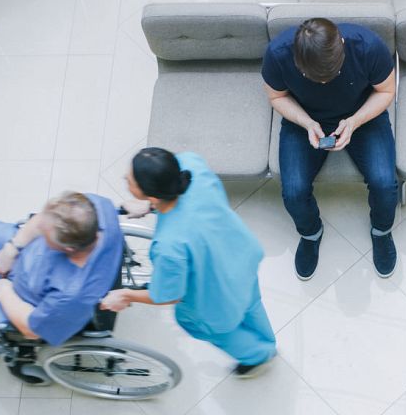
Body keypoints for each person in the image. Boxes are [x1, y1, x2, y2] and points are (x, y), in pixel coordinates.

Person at [100, 148, 276, 377]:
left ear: (152, 194)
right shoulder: (191, 165)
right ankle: (267, 340)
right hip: (239, 258)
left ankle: (258, 354)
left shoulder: (169, 246)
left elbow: (167, 294)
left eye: (130, 180)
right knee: (250, 303)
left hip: (215, 294)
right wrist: (152, 206)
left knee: (220, 329)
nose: (125, 178)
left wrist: (125, 295)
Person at [0, 192, 123, 380]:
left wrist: (3, 292)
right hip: (25, 261)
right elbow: (40, 220)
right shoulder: (96, 208)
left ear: (68, 249)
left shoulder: (71, 294)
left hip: (25, 302)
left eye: (45, 233)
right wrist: (10, 250)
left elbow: (32, 329)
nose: (38, 226)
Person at [262, 17, 398, 280]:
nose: (323, 84)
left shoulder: (368, 47)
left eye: (330, 76)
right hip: (305, 119)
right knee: (293, 192)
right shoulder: (278, 54)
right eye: (313, 78)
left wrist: (354, 121)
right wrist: (306, 122)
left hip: (362, 114)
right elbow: (276, 96)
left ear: (343, 47)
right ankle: (311, 233)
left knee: (385, 183)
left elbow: (386, 91)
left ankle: (381, 231)